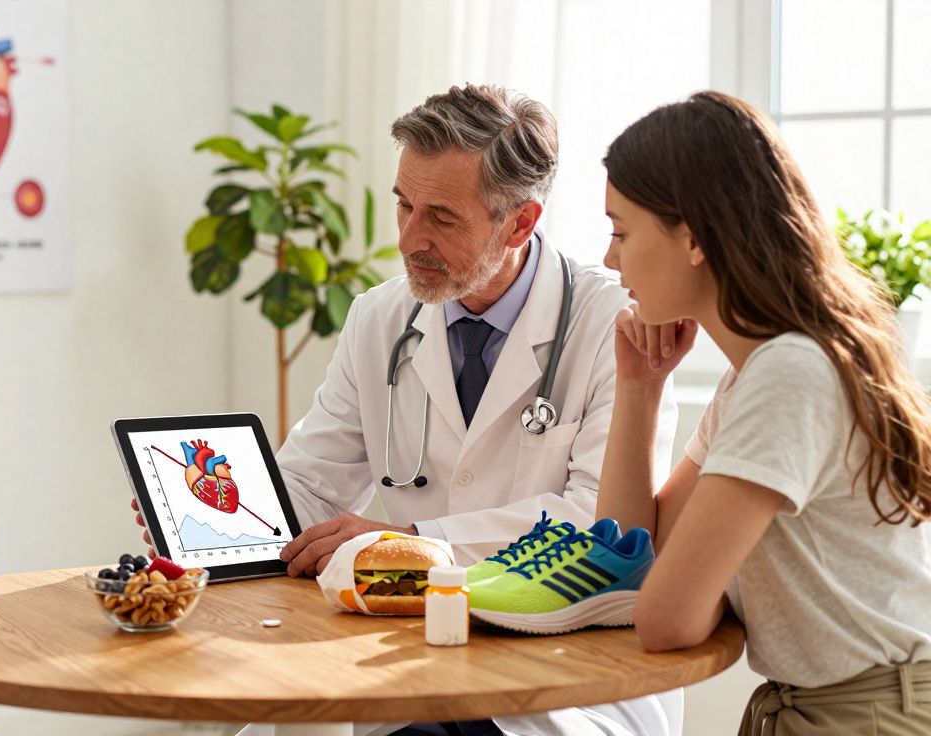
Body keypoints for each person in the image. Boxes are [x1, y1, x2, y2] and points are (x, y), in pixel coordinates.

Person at [137, 84, 681, 736]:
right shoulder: (380, 318)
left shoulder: (611, 324)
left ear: (520, 223)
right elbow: (313, 482)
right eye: (403, 205)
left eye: (442, 218)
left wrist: (416, 546)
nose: (410, 238)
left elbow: (602, 525)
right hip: (408, 651)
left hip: (554, 668)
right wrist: (214, 524)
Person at [596, 90, 931, 734]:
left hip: (871, 717)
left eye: (621, 231)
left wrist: (671, 587)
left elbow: (666, 618)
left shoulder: (790, 373)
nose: (611, 259)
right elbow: (626, 559)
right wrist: (640, 390)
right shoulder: (755, 376)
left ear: (692, 237)